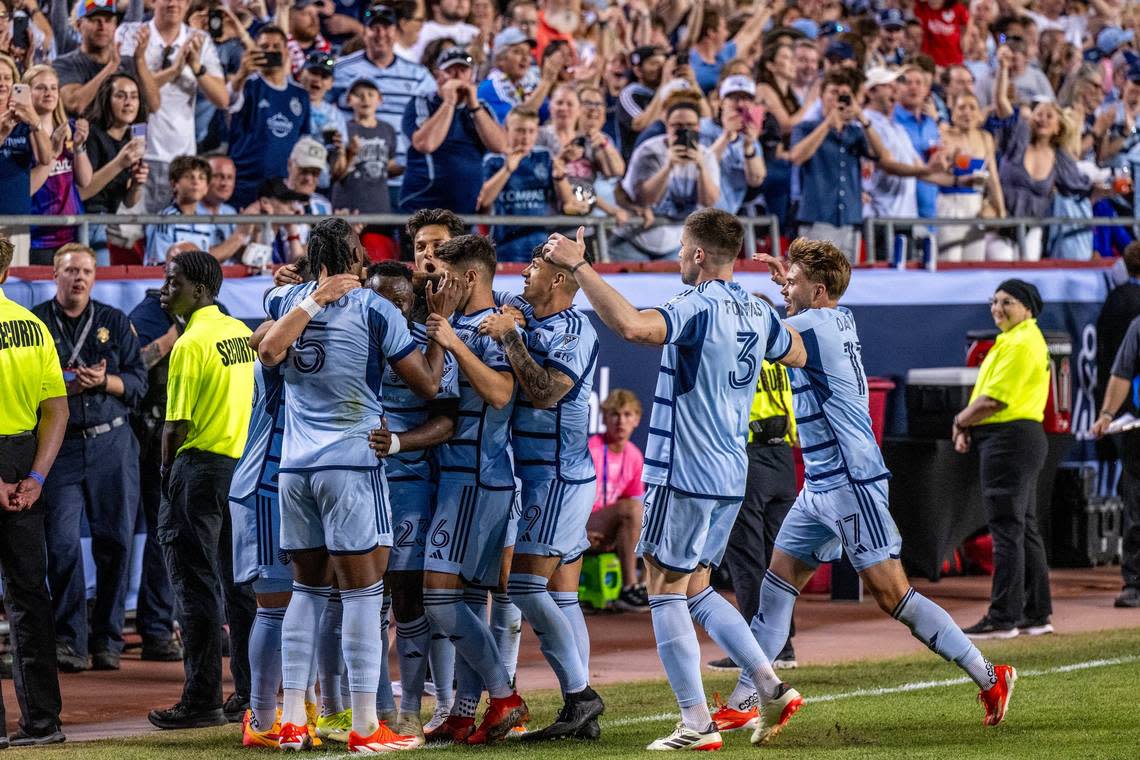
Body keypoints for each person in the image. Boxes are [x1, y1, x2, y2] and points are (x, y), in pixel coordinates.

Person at [718, 240, 1015, 733]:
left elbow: (763, 337)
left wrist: (730, 289)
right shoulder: (833, 317)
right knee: (775, 590)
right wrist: (783, 289)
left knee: (892, 595)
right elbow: (787, 325)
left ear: (817, 289)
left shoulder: (813, 324)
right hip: (820, 484)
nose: (786, 288)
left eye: (793, 282)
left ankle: (990, 674)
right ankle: (749, 698)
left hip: (853, 484)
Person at [543, 209, 808, 750]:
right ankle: (770, 684)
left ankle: (695, 723)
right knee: (698, 589)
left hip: (686, 468)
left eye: (683, 248)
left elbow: (633, 327)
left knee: (663, 591)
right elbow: (798, 351)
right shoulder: (757, 311)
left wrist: (581, 266)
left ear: (698, 254)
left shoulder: (696, 303)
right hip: (733, 469)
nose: (679, 257)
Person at [258, 218, 452, 752]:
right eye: (359, 256)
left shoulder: (284, 301)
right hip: (352, 463)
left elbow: (268, 349)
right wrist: (442, 328)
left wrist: (308, 296)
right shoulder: (374, 309)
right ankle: (366, 726)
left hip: (295, 469)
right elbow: (430, 384)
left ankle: (293, 719)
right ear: (352, 259)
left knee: (307, 590)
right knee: (365, 595)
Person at [478, 246, 604, 741]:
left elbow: (546, 391)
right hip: (537, 479)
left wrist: (511, 336)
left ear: (556, 281)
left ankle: (579, 697)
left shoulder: (576, 331)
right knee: (564, 597)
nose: (524, 274)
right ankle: (582, 706)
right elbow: (489, 293)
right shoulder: (526, 305)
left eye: (534, 269)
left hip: (558, 479)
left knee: (526, 588)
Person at [416, 234, 529, 745]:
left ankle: (504, 696)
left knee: (439, 600)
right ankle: (464, 708)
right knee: (462, 601)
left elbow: (503, 394)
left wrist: (453, 341)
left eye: (445, 276)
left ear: (469, 277)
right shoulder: (459, 324)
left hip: (478, 480)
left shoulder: (488, 330)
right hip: (457, 478)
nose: (437, 284)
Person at [147, 250, 255, 731]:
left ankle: (202, 698)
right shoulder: (239, 333)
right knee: (239, 588)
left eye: (172, 283)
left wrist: (166, 474)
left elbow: (176, 425)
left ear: (200, 290)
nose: (164, 291)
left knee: (194, 587)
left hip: (196, 468)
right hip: (240, 469)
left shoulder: (190, 344)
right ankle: (251, 693)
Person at [31, 244, 147, 674]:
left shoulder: (115, 322)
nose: (78, 278)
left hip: (111, 444)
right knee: (61, 545)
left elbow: (138, 382)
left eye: (85, 271)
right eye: (70, 271)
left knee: (115, 543)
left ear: (94, 278)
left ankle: (108, 639)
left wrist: (105, 381)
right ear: (54, 275)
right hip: (58, 445)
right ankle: (69, 640)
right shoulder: (38, 323)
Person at [363, 261, 459, 743]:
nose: (390, 310)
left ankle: (411, 709)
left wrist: (399, 442)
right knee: (362, 600)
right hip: (356, 485)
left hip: (408, 488)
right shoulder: (350, 337)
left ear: (411, 303)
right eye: (381, 300)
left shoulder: (427, 343)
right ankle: (374, 708)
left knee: (405, 597)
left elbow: (447, 418)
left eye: (399, 302)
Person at [953, 280, 1053, 638]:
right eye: (994, 301)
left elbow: (994, 400)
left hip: (1010, 440)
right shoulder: (1018, 339)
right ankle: (1036, 613)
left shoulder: (1021, 342)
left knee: (1007, 531)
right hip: (1019, 439)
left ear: (1027, 307)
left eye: (1006, 302)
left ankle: (1003, 617)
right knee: (1023, 528)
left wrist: (960, 420)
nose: (997, 308)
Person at [707, 306, 799, 687]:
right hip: (782, 457)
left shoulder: (741, 354)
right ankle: (784, 644)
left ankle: (752, 646)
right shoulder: (779, 356)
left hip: (751, 455)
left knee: (746, 556)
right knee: (777, 559)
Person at [0, 235, 68, 748]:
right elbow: (57, 411)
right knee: (29, 596)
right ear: (6, 273)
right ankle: (43, 722)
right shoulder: (34, 326)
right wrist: (36, 478)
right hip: (27, 459)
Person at [115, 0, 228, 213]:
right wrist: (173, 71)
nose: (173, 3)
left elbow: (222, 99)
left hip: (181, 157)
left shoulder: (199, 40)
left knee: (174, 235)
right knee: (131, 239)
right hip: (137, 154)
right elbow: (136, 95)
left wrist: (196, 68)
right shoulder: (132, 33)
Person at [332, 4, 432, 209]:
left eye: (386, 28)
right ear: (364, 32)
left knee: (404, 240)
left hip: (403, 176)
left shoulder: (417, 74)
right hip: (354, 177)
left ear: (395, 32)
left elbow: (432, 119)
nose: (380, 34)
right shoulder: (341, 69)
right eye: (373, 28)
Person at [614, 94, 720, 261]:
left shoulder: (706, 156)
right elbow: (644, 199)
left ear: (699, 127)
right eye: (677, 126)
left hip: (676, 245)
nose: (684, 130)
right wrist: (668, 166)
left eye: (690, 125)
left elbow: (709, 201)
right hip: (634, 240)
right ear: (667, 126)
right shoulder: (648, 151)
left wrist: (700, 167)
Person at [400, 46, 506, 213]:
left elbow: (500, 146)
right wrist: (449, 102)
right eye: (450, 70)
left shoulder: (481, 107)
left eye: (463, 70)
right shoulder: (421, 103)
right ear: (438, 76)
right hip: (423, 207)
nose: (457, 76)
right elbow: (425, 144)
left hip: (466, 210)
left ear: (472, 75)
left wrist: (474, 107)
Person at [227, 25, 312, 208]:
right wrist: (241, 74)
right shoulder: (247, 84)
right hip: (245, 181)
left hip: (282, 185)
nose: (270, 51)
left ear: (286, 52)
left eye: (276, 47)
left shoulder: (300, 95)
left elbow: (303, 140)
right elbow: (227, 102)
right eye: (264, 47)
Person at [478, 106, 574, 263]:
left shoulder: (543, 156)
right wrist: (507, 170)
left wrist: (559, 177)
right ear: (507, 130)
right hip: (504, 247)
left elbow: (568, 202)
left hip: (542, 245)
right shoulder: (493, 160)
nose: (525, 137)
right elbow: (483, 201)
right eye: (520, 130)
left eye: (531, 131)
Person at [586, 389, 648, 612]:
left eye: (627, 414)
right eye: (614, 414)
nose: (621, 421)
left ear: (637, 419)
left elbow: (630, 508)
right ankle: (629, 587)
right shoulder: (591, 449)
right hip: (585, 521)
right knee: (633, 509)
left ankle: (644, 586)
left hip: (609, 523)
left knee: (644, 512)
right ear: (604, 418)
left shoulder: (634, 455)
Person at [79, 73, 149, 265]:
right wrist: (120, 163)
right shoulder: (91, 135)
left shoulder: (132, 141)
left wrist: (137, 183)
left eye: (134, 96)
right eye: (121, 95)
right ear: (106, 99)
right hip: (82, 222)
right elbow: (82, 192)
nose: (129, 102)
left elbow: (128, 202)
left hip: (104, 222)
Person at [26, 65, 91, 263]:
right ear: (27, 92)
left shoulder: (69, 128)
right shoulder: (20, 133)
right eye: (41, 88)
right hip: (38, 236)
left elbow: (85, 180)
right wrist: (53, 151)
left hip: (72, 232)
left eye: (54, 88)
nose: (49, 93)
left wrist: (79, 147)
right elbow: (27, 189)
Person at [53, 0, 159, 118]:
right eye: (95, 20)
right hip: (88, 135)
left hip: (127, 136)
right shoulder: (64, 64)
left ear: (115, 26)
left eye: (108, 20)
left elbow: (153, 105)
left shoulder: (128, 62)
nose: (102, 26)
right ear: (78, 25)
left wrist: (140, 60)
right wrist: (112, 66)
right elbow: (75, 105)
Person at [331, 78, 398, 214]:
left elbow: (389, 166)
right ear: (349, 100)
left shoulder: (388, 129)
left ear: (380, 99)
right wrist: (352, 153)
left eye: (370, 94)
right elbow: (336, 175)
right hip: (348, 209)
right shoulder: (342, 129)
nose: (365, 99)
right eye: (358, 95)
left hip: (380, 209)